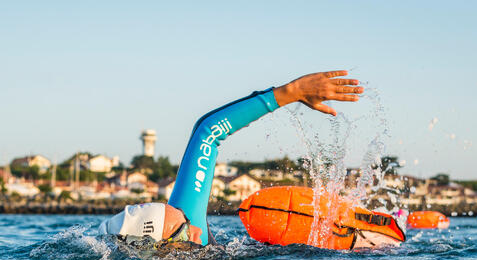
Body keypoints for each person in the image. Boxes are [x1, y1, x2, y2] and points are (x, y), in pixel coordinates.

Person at [99, 70, 364, 246]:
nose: (198, 231)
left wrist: (291, 92)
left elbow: (206, 133)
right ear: (155, 251)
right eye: (183, 231)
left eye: (187, 221)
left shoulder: (183, 230)